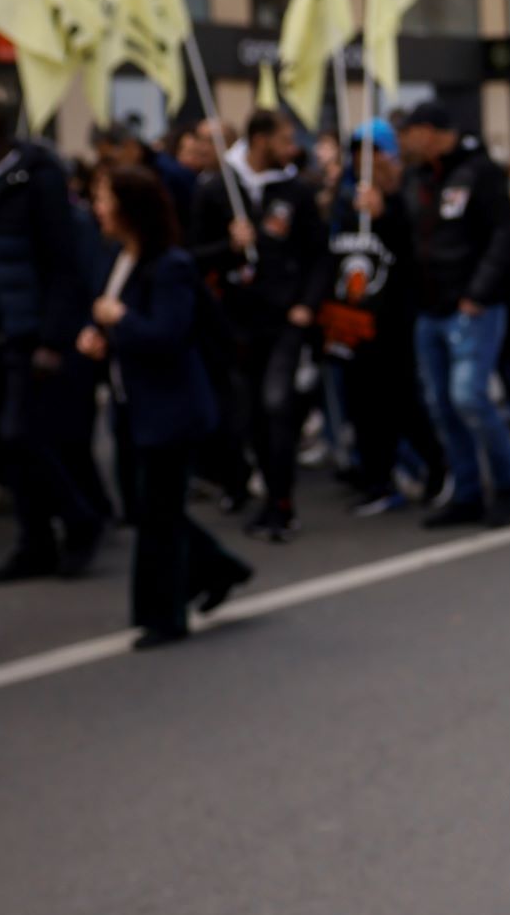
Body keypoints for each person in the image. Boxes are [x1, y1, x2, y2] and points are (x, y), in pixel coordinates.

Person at [77, 165, 251, 649]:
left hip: (173, 408)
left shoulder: (170, 265)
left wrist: (121, 320)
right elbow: (128, 332)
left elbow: (168, 335)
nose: (98, 208)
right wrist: (102, 339)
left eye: (105, 197)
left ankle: (164, 615)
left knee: (158, 513)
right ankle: (219, 569)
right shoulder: (120, 259)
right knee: (150, 507)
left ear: (131, 208)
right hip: (135, 404)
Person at [0, 93, 104, 582]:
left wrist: (52, 340)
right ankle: (34, 542)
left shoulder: (37, 174)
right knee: (5, 442)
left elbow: (62, 262)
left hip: (30, 330)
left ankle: (81, 521)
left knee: (25, 435)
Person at [190, 109, 330, 541]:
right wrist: (229, 248)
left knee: (276, 405)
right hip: (236, 323)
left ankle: (282, 503)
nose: (291, 148)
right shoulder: (216, 191)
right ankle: (256, 489)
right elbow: (193, 257)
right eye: (284, 138)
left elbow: (319, 255)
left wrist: (307, 304)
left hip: (283, 319)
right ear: (259, 138)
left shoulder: (296, 192)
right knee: (247, 416)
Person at [403, 101, 510, 528]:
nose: (406, 141)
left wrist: (479, 293)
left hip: (471, 307)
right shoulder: (419, 178)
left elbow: (503, 237)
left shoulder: (480, 172)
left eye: (411, 131)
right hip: (430, 309)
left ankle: (509, 482)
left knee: (469, 396)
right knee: (441, 405)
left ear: (431, 131)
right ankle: (468, 490)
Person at [324, 119, 441, 515]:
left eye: (372, 150)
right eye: (356, 151)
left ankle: (437, 466)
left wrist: (384, 214)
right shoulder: (343, 195)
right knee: (361, 402)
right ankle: (377, 478)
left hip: (394, 316)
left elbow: (417, 248)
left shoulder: (405, 191)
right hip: (353, 315)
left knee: (403, 400)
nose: (363, 159)